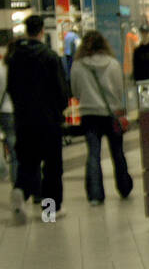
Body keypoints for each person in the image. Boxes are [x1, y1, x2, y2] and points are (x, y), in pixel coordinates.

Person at [7, 15, 69, 215]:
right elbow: (60, 91)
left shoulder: (15, 57)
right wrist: (60, 108)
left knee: (28, 161)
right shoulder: (50, 56)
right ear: (42, 30)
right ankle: (50, 209)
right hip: (48, 121)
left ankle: (20, 189)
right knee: (52, 167)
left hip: (24, 120)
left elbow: (11, 88)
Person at [69, 31, 133, 205]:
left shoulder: (77, 65)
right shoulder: (113, 64)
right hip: (111, 114)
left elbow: (74, 91)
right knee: (117, 153)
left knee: (93, 154)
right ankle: (124, 187)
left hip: (89, 115)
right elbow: (120, 91)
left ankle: (96, 195)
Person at [1, 39, 18, 194]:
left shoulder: (2, 69)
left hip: (7, 111)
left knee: (14, 150)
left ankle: (17, 186)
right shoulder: (28, 68)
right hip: (26, 112)